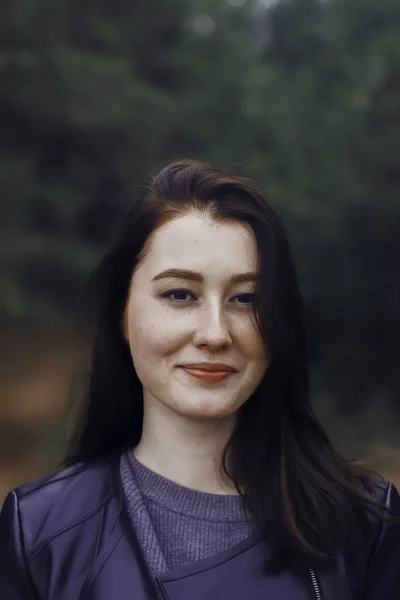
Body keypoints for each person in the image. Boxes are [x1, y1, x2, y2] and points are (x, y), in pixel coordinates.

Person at [0, 160, 399, 600]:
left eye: (246, 299)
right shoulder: (39, 531)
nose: (215, 334)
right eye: (179, 294)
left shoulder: (366, 526)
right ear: (123, 313)